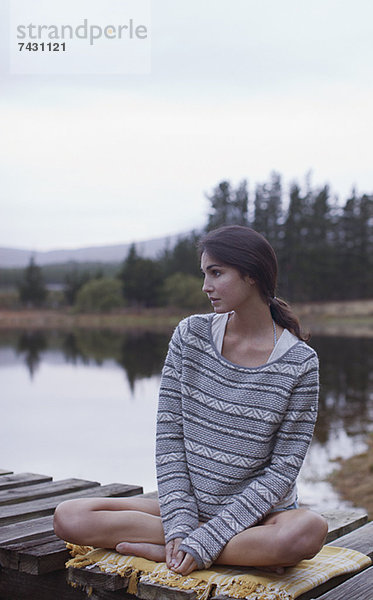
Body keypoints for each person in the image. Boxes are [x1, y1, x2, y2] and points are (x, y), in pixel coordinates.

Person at [53, 225, 328, 577]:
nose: (205, 286)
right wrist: (183, 524)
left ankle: (172, 550)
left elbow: (282, 470)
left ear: (252, 275)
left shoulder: (300, 362)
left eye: (216, 273)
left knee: (307, 532)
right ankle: (231, 552)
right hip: (190, 507)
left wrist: (211, 537)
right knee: (69, 517)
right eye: (204, 274)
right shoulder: (190, 335)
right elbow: (170, 438)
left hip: (261, 516)